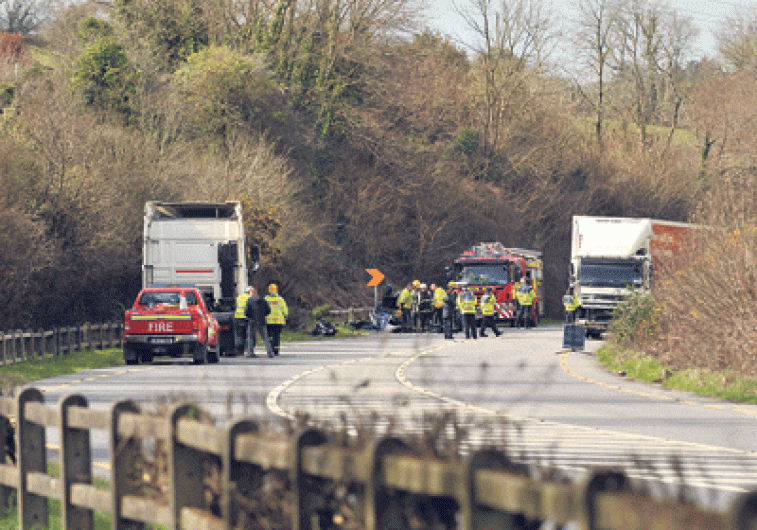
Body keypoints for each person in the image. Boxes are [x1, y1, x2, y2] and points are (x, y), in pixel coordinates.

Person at [245, 286, 272, 357]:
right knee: (265, 337)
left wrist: (250, 317)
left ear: (253, 292)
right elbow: (268, 311)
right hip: (262, 321)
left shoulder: (250, 300)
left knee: (250, 338)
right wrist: (263, 315)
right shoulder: (263, 300)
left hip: (252, 321)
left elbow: (246, 312)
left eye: (250, 292)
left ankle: (250, 353)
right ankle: (270, 353)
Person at [265, 283, 288, 356]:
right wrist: (285, 316)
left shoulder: (266, 299)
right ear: (276, 290)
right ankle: (276, 350)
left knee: (269, 336)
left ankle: (270, 349)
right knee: (277, 336)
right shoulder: (280, 299)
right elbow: (285, 310)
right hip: (278, 321)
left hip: (269, 321)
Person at [233, 287, 253, 355]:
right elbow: (250, 308)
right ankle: (247, 350)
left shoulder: (239, 297)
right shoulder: (250, 298)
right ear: (249, 292)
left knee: (239, 334)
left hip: (238, 317)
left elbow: (235, 307)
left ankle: (239, 350)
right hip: (246, 318)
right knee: (248, 334)